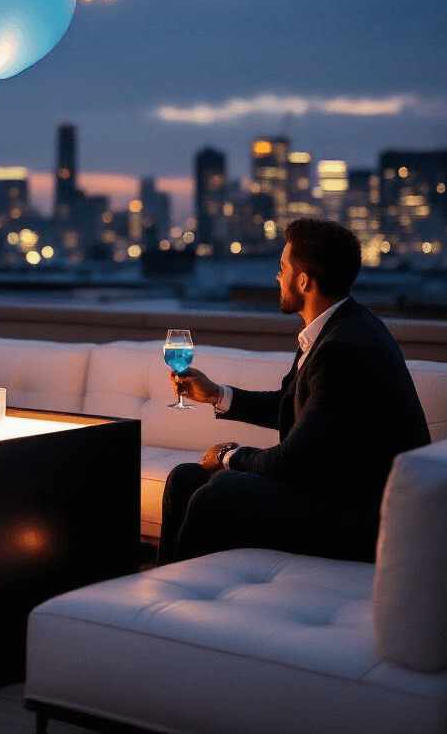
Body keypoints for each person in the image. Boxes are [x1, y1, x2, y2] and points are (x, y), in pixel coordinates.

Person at [158, 218, 430, 566]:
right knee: (185, 479)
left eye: (282, 268)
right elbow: (290, 405)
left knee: (220, 493)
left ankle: (181, 596)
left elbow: (293, 461)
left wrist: (230, 456)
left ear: (303, 281)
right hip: (325, 486)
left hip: (358, 514)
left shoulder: (342, 348)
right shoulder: (332, 330)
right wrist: (216, 394)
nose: (276, 277)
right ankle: (162, 581)